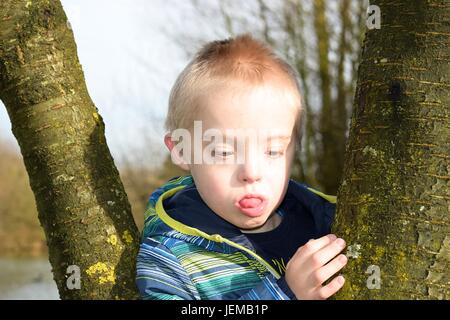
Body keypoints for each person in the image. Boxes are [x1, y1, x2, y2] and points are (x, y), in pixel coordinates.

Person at [136, 34, 347, 300]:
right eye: (224, 152)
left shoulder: (328, 221)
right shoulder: (169, 259)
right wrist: (283, 294)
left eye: (273, 151)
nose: (252, 173)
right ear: (181, 150)